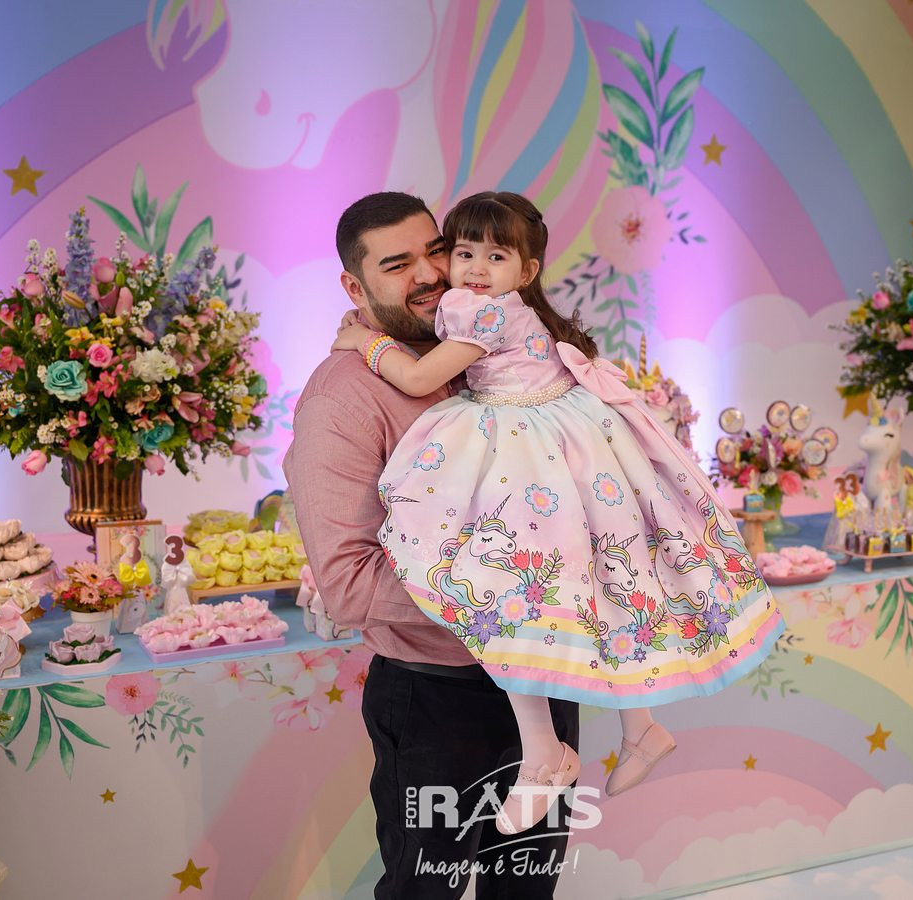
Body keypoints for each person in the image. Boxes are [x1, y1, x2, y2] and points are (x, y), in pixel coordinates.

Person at [332, 191, 785, 834]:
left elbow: (417, 379)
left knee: (516, 593)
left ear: (527, 269)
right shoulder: (498, 309)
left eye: (495, 256)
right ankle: (634, 727)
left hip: (534, 452)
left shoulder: (485, 314)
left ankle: (549, 752)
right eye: (463, 253)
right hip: (566, 447)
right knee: (605, 584)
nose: (473, 268)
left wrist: (364, 340)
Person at [286, 192, 579, 899]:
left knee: (528, 887)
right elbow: (349, 584)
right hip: (438, 700)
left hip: (543, 676)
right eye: (397, 265)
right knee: (427, 892)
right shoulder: (343, 399)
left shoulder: (485, 352)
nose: (428, 273)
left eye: (436, 251)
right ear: (354, 286)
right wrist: (506, 599)